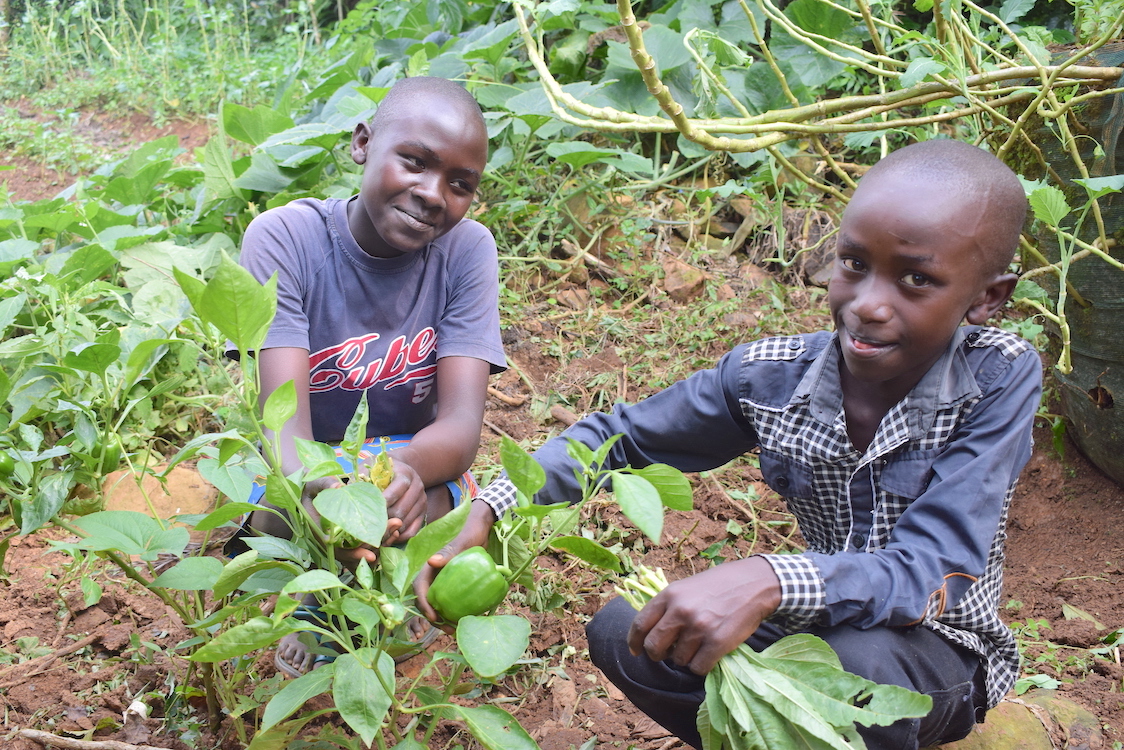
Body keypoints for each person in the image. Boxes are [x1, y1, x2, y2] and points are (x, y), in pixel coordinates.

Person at [416, 139, 1040, 749]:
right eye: (854, 264)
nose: (870, 304)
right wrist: (492, 507)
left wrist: (767, 578)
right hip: (810, 628)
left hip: (934, 650)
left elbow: (932, 572)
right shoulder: (771, 376)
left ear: (987, 297)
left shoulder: (996, 379)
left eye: (915, 279)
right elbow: (618, 437)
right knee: (626, 634)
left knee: (853, 671)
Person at [235, 76, 506, 676]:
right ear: (363, 144)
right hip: (314, 462)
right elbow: (284, 426)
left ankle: (388, 580)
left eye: (460, 184)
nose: (434, 195)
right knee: (280, 513)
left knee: (439, 507)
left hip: (413, 463)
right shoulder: (287, 240)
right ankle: (320, 600)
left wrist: (403, 474)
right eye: (414, 162)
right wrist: (331, 492)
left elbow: (460, 427)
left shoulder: (466, 251)